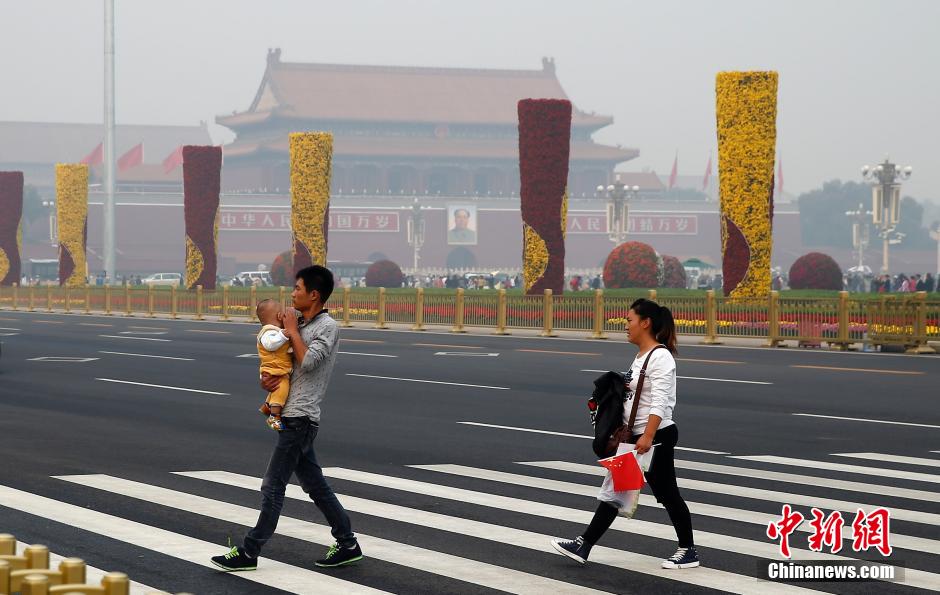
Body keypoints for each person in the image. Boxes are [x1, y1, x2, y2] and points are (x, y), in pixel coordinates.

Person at [211, 265, 363, 572]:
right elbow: (284, 365)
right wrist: (269, 381)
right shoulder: (299, 323)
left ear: (314, 294)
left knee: (272, 487)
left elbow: (309, 362)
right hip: (293, 414)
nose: (292, 294)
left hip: (301, 418)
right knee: (315, 486)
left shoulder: (326, 327)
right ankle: (348, 543)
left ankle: (250, 551)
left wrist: (292, 330)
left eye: (297, 288)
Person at [550, 298, 699, 569]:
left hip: (655, 437)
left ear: (646, 323)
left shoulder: (660, 357)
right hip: (636, 438)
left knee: (667, 494)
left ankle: (688, 550)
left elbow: (660, 402)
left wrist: (648, 436)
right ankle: (584, 545)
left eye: (630, 320)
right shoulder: (641, 356)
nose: (626, 326)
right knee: (616, 491)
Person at [255, 299, 292, 431]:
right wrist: (283, 335)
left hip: (276, 369)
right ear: (279, 316)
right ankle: (274, 416)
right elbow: (270, 344)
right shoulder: (268, 331)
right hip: (273, 369)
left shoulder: (276, 331)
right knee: (282, 388)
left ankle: (267, 406)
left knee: (276, 389)